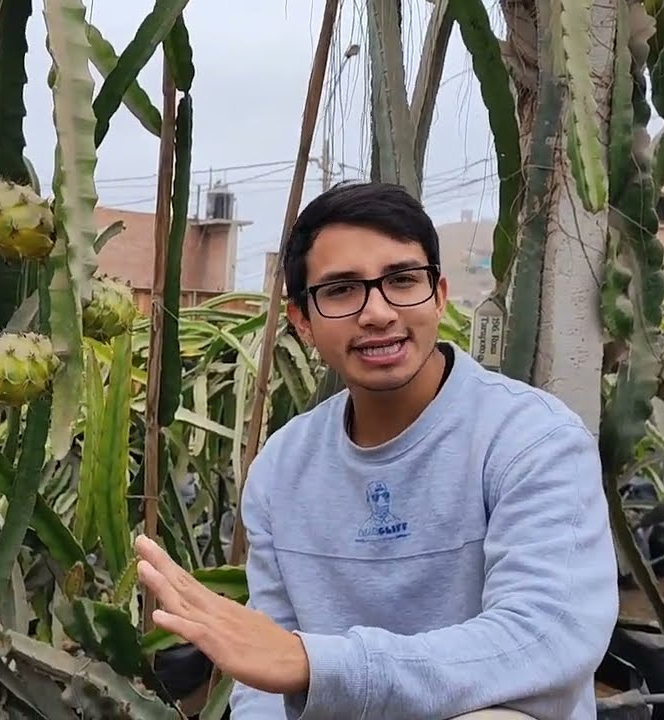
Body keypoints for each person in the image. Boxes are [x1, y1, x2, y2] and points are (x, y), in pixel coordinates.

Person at [133, 181, 618, 719]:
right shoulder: (281, 469)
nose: (378, 313)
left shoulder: (532, 439)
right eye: (342, 290)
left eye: (402, 280)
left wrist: (316, 665)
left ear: (438, 295)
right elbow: (264, 681)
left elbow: (545, 639)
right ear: (302, 320)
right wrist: (294, 670)